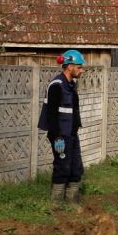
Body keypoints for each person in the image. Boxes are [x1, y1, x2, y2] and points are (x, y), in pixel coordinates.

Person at [38, 49, 86, 202]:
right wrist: (57, 137)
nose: (82, 70)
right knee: (63, 167)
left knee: (76, 168)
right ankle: (56, 204)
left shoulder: (71, 85)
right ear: (69, 66)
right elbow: (51, 115)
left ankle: (72, 202)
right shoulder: (56, 85)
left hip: (71, 134)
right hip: (60, 136)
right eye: (79, 67)